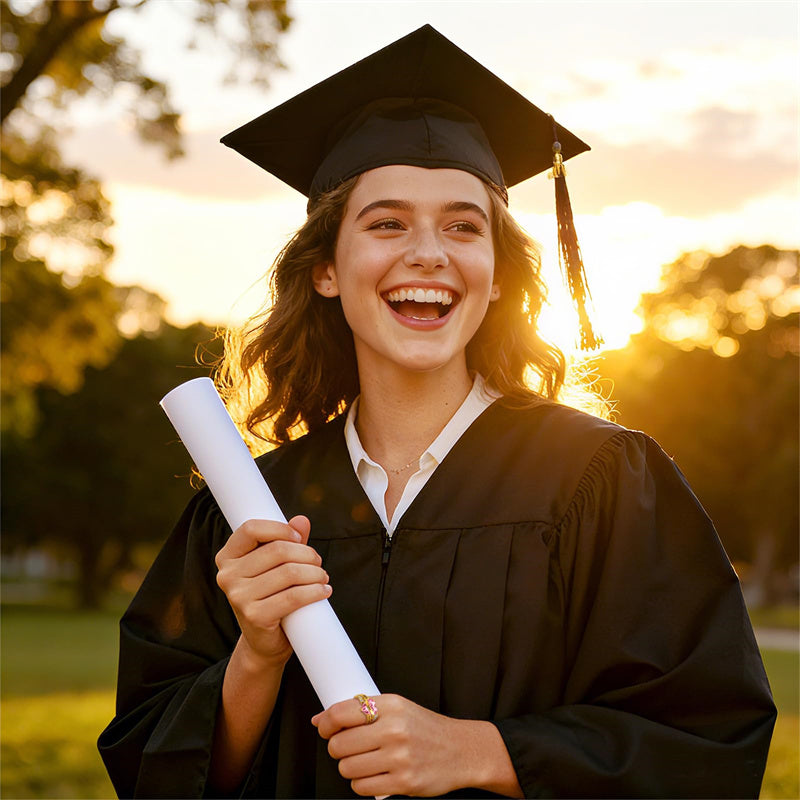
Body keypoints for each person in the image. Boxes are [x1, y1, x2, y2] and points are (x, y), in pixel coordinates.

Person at [98, 25, 775, 799]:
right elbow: (153, 771)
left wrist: (483, 753)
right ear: (326, 269)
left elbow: (709, 742)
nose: (429, 252)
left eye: (463, 226)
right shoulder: (253, 511)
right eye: (386, 223)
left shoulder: (601, 479)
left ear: (494, 278)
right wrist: (256, 652)